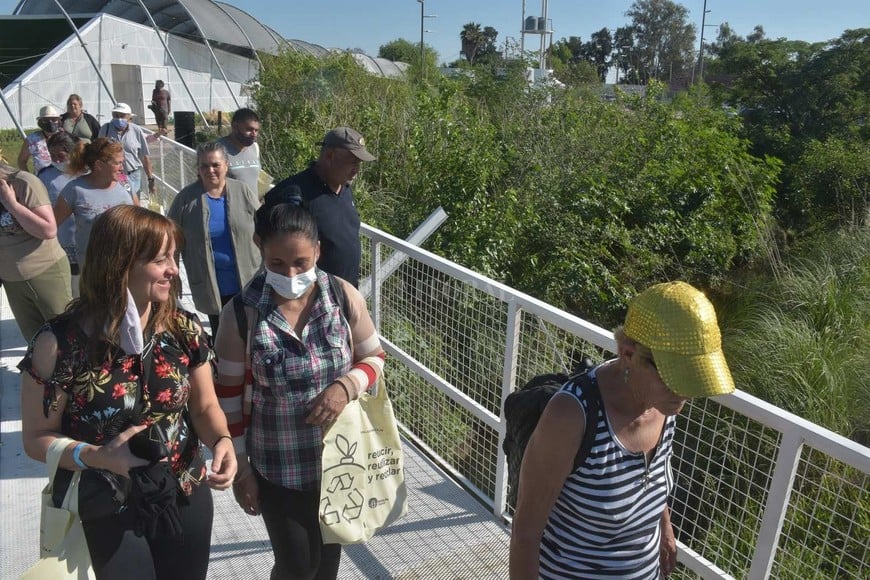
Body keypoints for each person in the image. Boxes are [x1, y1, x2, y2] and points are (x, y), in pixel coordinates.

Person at [20, 205, 237, 580]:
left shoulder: (183, 328)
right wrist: (99, 456)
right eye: (160, 259)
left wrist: (222, 441)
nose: (173, 268)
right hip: (104, 500)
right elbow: (37, 438)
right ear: (118, 263)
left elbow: (203, 406)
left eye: (174, 256)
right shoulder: (59, 344)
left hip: (182, 487)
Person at [509, 281, 736, 579]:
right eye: (674, 376)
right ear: (628, 353)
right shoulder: (571, 416)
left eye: (692, 376)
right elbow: (526, 533)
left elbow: (649, 480)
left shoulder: (664, 406)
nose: (686, 391)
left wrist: (664, 527)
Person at [214, 195, 386, 580]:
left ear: (318, 252)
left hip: (339, 464)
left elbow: (374, 357)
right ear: (260, 248)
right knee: (296, 568)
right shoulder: (241, 313)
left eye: (301, 263)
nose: (290, 275)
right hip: (279, 468)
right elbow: (226, 397)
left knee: (326, 566)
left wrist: (346, 385)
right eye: (277, 263)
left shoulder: (342, 296)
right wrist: (243, 469)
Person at [264, 127, 376, 288]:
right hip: (312, 298)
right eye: (353, 162)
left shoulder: (344, 188)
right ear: (330, 156)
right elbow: (262, 238)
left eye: (359, 163)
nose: (357, 169)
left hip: (345, 292)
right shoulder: (293, 192)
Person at [167, 141, 260, 334]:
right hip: (211, 284)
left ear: (226, 165)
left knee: (252, 334)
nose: (210, 170)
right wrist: (173, 277)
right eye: (204, 165)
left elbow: (263, 231)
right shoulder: (186, 199)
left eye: (215, 165)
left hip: (247, 280)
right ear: (198, 169)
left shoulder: (242, 191)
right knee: (222, 336)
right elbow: (170, 241)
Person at [0, 162, 71, 341]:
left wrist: (12, 204)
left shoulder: (24, 182)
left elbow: (48, 230)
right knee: (35, 341)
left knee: (65, 336)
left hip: (45, 271)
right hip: (11, 279)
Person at [54, 138, 138, 271]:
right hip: (93, 268)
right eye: (118, 163)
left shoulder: (125, 183)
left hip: (127, 262)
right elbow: (53, 224)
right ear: (99, 165)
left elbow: (138, 219)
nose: (122, 168)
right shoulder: (75, 190)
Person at [37, 131, 81, 297]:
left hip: (88, 237)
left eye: (60, 155)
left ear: (72, 152)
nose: (55, 159)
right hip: (62, 239)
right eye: (51, 155)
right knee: (71, 282)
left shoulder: (86, 171)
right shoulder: (45, 175)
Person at [98, 102, 156, 199]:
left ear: (130, 117)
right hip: (114, 175)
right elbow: (99, 152)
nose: (119, 118)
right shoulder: (105, 129)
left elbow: (145, 157)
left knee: (133, 202)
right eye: (116, 115)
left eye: (122, 115)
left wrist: (151, 180)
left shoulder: (137, 131)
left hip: (133, 175)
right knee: (117, 202)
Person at [216, 108, 261, 194]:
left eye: (256, 130)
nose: (254, 134)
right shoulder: (217, 149)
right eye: (249, 129)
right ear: (235, 127)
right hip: (229, 206)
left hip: (254, 207)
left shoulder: (254, 148)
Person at [18, 105, 63, 173]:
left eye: (54, 119)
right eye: (46, 120)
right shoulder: (32, 140)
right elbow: (21, 161)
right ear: (40, 122)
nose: (50, 122)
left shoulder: (65, 137)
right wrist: (31, 178)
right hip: (40, 180)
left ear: (58, 121)